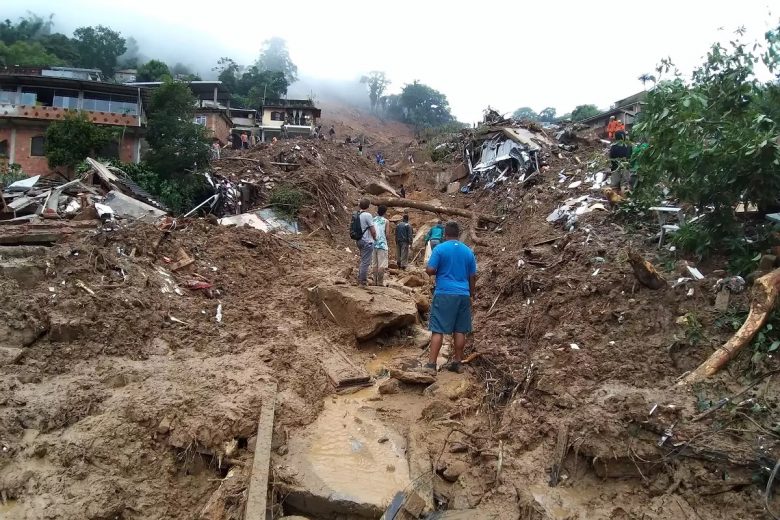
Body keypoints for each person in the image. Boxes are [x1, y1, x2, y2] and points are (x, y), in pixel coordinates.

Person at [424, 221, 477, 374]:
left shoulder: (440, 249)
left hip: (444, 293)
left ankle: (431, 365)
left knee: (438, 329)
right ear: (458, 234)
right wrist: (471, 295)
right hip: (463, 294)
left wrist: (434, 270)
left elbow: (430, 270)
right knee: (460, 330)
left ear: (445, 234)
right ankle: (458, 363)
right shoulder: (468, 251)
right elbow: (472, 276)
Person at [355, 198, 376, 286]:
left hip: (359, 240)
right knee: (365, 262)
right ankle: (362, 281)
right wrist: (375, 238)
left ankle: (360, 278)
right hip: (367, 241)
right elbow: (372, 229)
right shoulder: (367, 215)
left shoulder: (357, 214)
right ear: (368, 206)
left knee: (363, 260)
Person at [372, 205, 389, 285]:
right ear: (385, 212)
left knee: (374, 264)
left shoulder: (373, 219)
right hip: (382, 244)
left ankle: (374, 281)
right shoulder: (386, 221)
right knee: (381, 264)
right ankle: (380, 282)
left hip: (373, 243)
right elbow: (387, 234)